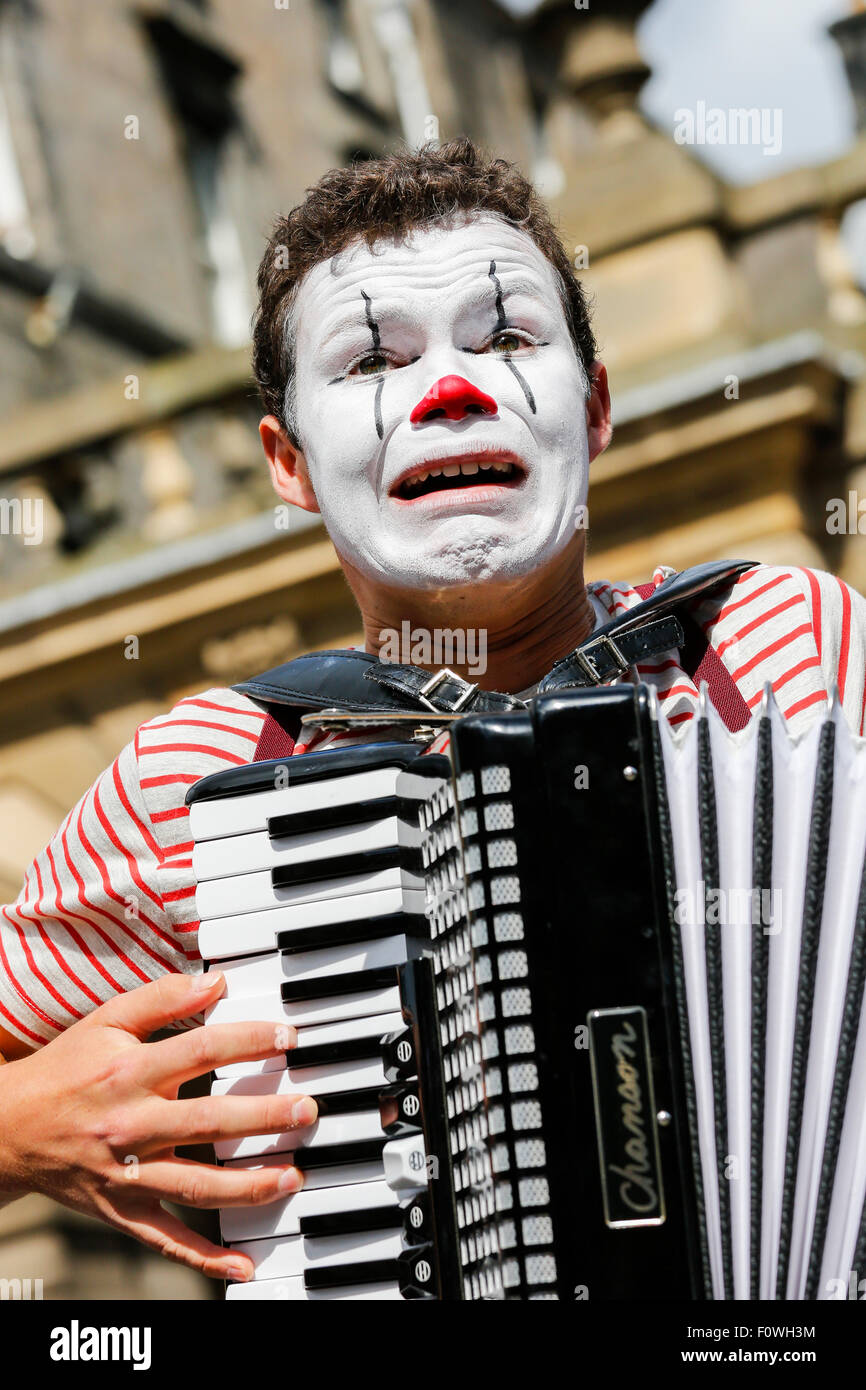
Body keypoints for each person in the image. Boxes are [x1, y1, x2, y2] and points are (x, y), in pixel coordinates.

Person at [1, 137, 864, 1282]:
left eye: (504, 338)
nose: (448, 393)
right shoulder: (201, 773)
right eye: (370, 361)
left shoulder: (789, 641)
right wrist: (19, 1127)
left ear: (594, 408)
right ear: (290, 463)